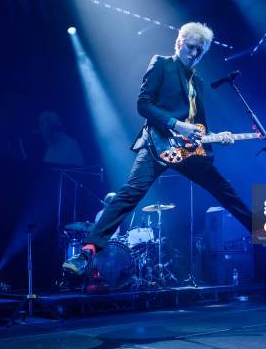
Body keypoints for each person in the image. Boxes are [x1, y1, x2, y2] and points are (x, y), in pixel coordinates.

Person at [63, 22, 252, 274]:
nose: (194, 54)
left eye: (200, 50)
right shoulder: (162, 64)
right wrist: (176, 124)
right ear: (179, 43)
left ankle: (260, 231)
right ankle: (87, 252)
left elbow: (199, 128)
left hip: (185, 151)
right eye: (191, 47)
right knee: (131, 192)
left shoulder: (199, 84)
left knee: (222, 187)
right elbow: (143, 104)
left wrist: (219, 137)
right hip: (156, 143)